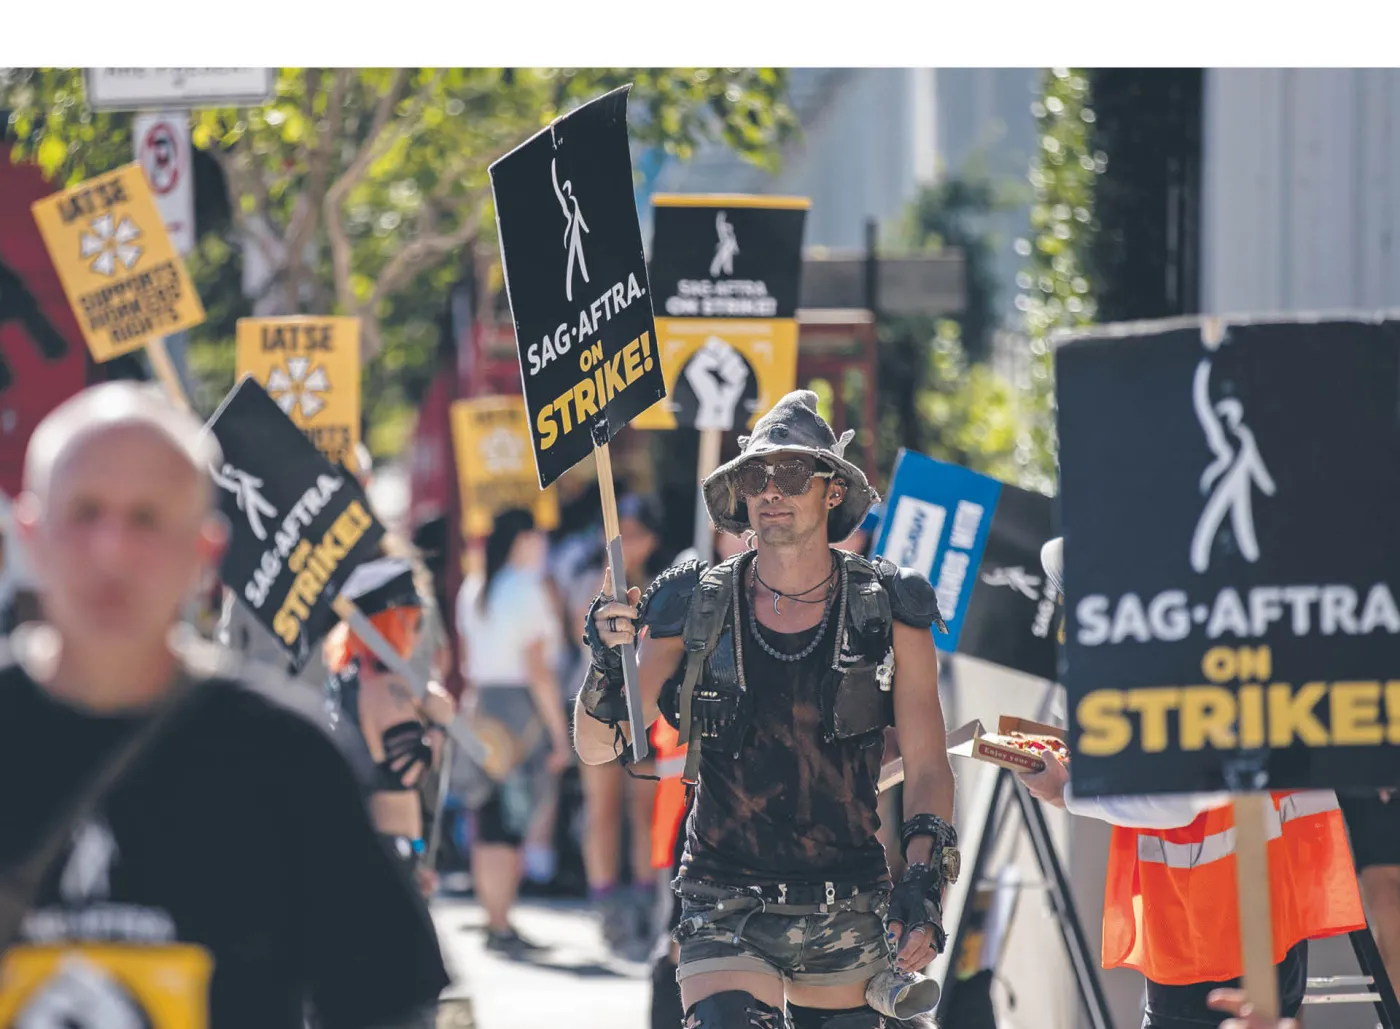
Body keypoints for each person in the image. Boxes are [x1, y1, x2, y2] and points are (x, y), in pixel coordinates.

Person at [0, 381, 449, 1028]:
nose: (112, 550)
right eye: (85, 511)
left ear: (207, 553)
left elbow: (386, 1001)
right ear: (30, 534)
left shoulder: (289, 760)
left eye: (148, 519)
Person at [574, 390, 958, 1029]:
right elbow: (596, 746)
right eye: (755, 475)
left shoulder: (889, 606)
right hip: (723, 903)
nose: (771, 489)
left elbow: (926, 766)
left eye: (791, 473)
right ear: (740, 494)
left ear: (832, 491)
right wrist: (607, 665)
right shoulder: (690, 604)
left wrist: (923, 883)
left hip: (849, 903)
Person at [1017, 537, 1367, 1029]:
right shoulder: (1221, 640)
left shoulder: (1177, 669)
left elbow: (1178, 797)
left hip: (1209, 931)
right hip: (1264, 918)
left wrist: (1069, 791)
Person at [455, 508, 570, 955]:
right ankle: (502, 922)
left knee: (488, 819)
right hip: (519, 710)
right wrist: (560, 735)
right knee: (513, 819)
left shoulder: (475, 587)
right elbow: (538, 670)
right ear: (523, 538)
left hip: (482, 705)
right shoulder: (525, 589)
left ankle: (495, 918)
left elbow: (468, 662)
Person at [568, 491, 666, 959]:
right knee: (601, 809)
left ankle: (647, 902)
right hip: (599, 705)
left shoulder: (666, 586)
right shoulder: (592, 579)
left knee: (643, 810)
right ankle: (607, 906)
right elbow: (577, 633)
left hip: (648, 711)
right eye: (623, 532)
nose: (631, 542)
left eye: (639, 533)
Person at [323, 556, 456, 899]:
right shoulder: (390, 687)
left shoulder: (347, 679)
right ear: (394, 620)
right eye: (415, 620)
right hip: (393, 850)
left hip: (371, 845)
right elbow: (412, 769)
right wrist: (438, 730)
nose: (418, 630)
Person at [1338, 788, 1400, 994]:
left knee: (1388, 905)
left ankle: (1391, 1013)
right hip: (1364, 771)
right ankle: (1392, 1013)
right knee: (1386, 901)